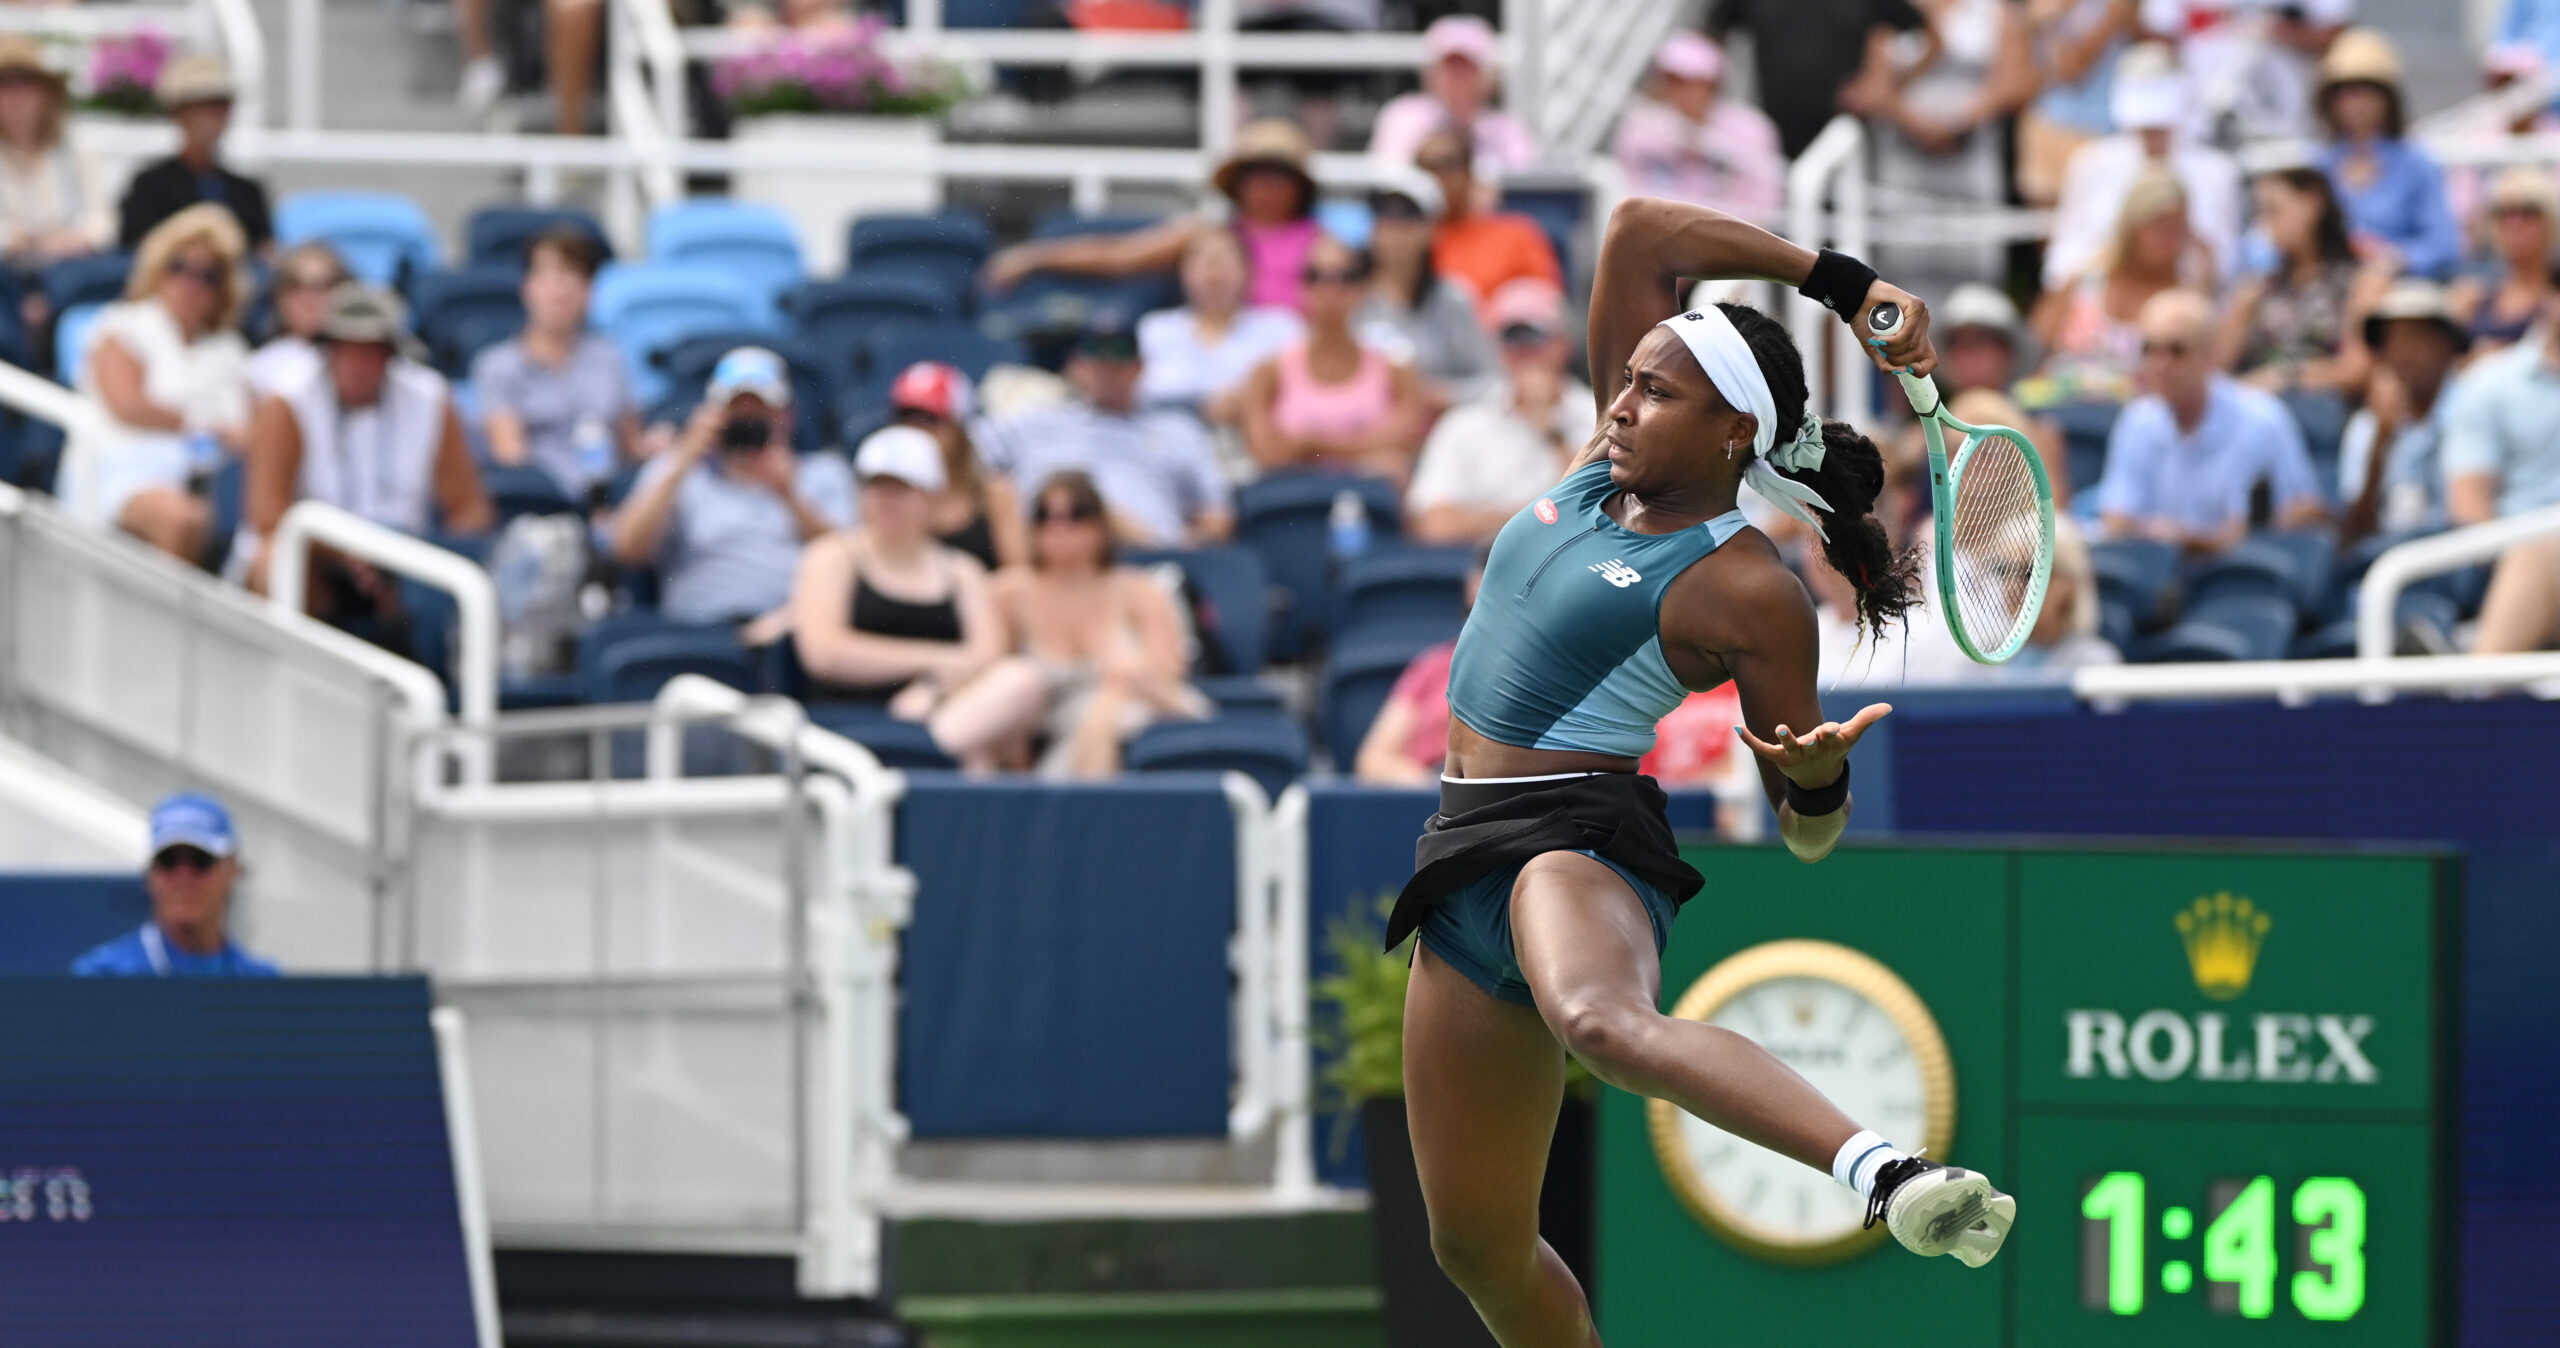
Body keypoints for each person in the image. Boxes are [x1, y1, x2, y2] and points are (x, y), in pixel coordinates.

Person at [1393, 194, 2013, 1348]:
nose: (1622, 403)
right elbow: (1639, 233)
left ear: (1735, 431)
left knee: (1602, 1019)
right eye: (1625, 380)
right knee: (1472, 1244)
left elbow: (1808, 835)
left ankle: (1884, 1172)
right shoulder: (1598, 465)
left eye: (1655, 391)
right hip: (1457, 859)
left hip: (1569, 843)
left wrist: (1816, 778)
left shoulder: (1746, 587)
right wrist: (1837, 278)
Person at [924, 470, 1211, 777]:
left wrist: (1110, 700)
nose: (1059, 527)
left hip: (1121, 714)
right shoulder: (1009, 592)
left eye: (1076, 514)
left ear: (1101, 523)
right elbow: (989, 669)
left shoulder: (1140, 590)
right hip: (1034, 728)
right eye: (1045, 515)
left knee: (1107, 720)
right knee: (1007, 695)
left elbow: (1168, 673)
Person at [240, 285, 494, 606]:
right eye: (347, 348)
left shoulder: (430, 397)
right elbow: (267, 515)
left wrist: (413, 555)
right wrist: (344, 551)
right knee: (273, 564)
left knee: (464, 580)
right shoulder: (287, 398)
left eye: (371, 350)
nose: (358, 363)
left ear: (390, 353)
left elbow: (470, 510)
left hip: (405, 562)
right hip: (317, 558)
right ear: (328, 348)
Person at [56, 203, 252, 566]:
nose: (191, 284)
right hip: (122, 470)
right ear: (158, 270)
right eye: (180, 268)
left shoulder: (231, 349)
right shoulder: (122, 326)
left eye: (208, 274)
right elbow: (128, 406)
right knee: (185, 519)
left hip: (210, 480)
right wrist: (209, 426)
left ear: (223, 287)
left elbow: (248, 430)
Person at [609, 347, 855, 632]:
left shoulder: (824, 473)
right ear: (712, 415)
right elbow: (626, 549)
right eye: (736, 413)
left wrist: (789, 494)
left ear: (787, 415)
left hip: (791, 632)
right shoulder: (677, 469)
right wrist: (683, 458)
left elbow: (853, 564)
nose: (747, 422)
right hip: (699, 631)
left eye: (759, 412)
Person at [983, 118, 1323, 314]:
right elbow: (1119, 256)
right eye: (1257, 172)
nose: (1267, 185)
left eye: (1279, 174)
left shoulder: (1324, 245)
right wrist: (1035, 257)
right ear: (1240, 181)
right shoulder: (1208, 236)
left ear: (1299, 185)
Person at [788, 425, 1005, 716]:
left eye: (901, 489)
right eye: (877, 487)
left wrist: (934, 689)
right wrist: (936, 661)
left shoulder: (963, 571)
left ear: (933, 497)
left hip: (948, 714)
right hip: (846, 723)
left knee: (1018, 683)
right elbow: (823, 653)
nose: (886, 500)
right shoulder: (831, 556)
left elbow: (989, 657)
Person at [2095, 289, 2326, 552]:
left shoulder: (2261, 420)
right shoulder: (2136, 421)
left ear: (2210, 354)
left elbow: (2269, 526)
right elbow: (2115, 522)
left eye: (2177, 351)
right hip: (2154, 578)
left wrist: (2176, 538)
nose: (2160, 364)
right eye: (2150, 350)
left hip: (2236, 579)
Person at [977, 312, 1235, 548]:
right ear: (1076, 366)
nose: (1106, 369)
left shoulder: (1178, 429)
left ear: (1140, 366)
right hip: (1048, 558)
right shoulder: (1035, 420)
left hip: (1149, 562)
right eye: (1095, 354)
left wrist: (1181, 550)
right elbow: (958, 452)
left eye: (1119, 354)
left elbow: (1217, 515)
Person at [1868, 0, 2038, 301]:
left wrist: (1956, 124)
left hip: (1971, 162)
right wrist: (1918, 123)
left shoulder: (1993, 10)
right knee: (1903, 267)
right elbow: (1877, 87)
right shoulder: (1894, 9)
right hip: (1904, 166)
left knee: (1975, 268)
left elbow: (2015, 82)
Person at [1405, 280, 1594, 546]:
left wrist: (1553, 433)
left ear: (1563, 344)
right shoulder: (1464, 423)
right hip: (1484, 567)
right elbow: (1433, 524)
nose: (1524, 353)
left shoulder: (1600, 417)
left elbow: (1598, 513)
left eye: (1535, 338)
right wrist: (1536, 518)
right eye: (1512, 340)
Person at [2042, 47, 2243, 293]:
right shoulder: (2092, 164)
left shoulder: (2216, 173)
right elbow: (2062, 261)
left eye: (2159, 122)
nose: (2151, 132)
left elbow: (2227, 264)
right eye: (2144, 123)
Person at [1236, 234, 1431, 485]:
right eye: (1316, 276)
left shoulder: (1398, 370)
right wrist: (1361, 454)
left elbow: (1403, 444)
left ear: (1363, 287)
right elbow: (1266, 454)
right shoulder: (1267, 372)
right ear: (1301, 286)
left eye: (1346, 277)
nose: (1331, 289)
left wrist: (1310, 446)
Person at [470, 226, 635, 502]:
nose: (559, 290)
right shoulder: (497, 365)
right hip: (540, 504)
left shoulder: (610, 358)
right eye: (547, 275)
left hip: (609, 502)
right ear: (527, 287)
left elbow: (628, 447)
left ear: (588, 290)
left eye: (571, 276)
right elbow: (510, 456)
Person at [2033, 167, 2211, 399]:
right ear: (2133, 225)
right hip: (2065, 412)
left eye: (2175, 229)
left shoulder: (2185, 304)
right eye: (2157, 225)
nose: (2166, 238)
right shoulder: (2084, 282)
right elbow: (2033, 348)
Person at [2217, 167, 2384, 400]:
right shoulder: (2254, 289)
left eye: (2274, 210)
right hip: (2260, 405)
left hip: (2325, 406)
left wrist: (2281, 379)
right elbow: (2215, 371)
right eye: (2260, 213)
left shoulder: (2362, 281)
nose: (2266, 224)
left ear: (2312, 203)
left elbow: (2356, 371)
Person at [72, 791, 276, 977]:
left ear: (232, 870)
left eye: (200, 860)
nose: (184, 877)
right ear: (150, 874)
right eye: (168, 860)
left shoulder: (261, 982)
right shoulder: (103, 977)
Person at [2315, 28, 2459, 281]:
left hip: (2395, 291)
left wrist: (2394, 258)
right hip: (2326, 287)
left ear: (2387, 98)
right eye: (2342, 92)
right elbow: (2269, 242)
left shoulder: (2416, 164)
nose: (2352, 102)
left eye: (2363, 90)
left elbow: (2443, 245)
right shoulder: (2318, 165)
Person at [1709, 0, 1928, 158]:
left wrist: (1879, 85)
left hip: (1844, 134)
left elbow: (1924, 34)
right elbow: (1713, 28)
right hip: (1772, 133)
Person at [1609, 33, 1785, 224]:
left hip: (1732, 241)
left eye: (1688, 80)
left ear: (1712, 84)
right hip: (1662, 237)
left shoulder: (1750, 128)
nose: (1677, 90)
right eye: (1670, 79)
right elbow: (1630, 190)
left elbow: (1765, 202)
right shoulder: (1642, 126)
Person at [2339, 279, 2467, 542]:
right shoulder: (2366, 427)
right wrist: (2380, 445)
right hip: (2388, 566)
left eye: (2415, 338)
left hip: (2458, 563)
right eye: (2392, 341)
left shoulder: (2473, 407)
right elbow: (2354, 539)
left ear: (2447, 346)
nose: (2403, 353)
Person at [1135, 226, 1304, 426]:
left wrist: (1251, 400)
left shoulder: (1282, 327)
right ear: (1183, 273)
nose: (1213, 274)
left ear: (1249, 271)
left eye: (1224, 262)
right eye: (1203, 262)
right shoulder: (1154, 329)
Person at [1356, 174, 1498, 404]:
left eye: (1407, 216)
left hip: (1444, 429)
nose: (1395, 228)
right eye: (1384, 215)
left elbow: (1493, 381)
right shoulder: (1348, 294)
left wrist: (1445, 395)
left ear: (1432, 230)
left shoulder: (1454, 298)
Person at [116, 53, 271, 254]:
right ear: (178, 112)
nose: (216, 115)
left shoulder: (248, 191)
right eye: (205, 105)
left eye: (223, 104)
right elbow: (140, 254)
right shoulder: (150, 187)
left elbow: (265, 253)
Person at [886, 360, 1023, 571]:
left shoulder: (995, 494)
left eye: (929, 418)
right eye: (907, 418)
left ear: (960, 429)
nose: (917, 429)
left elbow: (1018, 575)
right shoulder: (883, 495)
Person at [1416, 127, 1563, 322]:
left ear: (1468, 172)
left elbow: (1546, 310)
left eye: (1448, 164)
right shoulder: (1403, 240)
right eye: (1425, 167)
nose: (1437, 177)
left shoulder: (1517, 234)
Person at [1367, 16, 1538, 178]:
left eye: (1467, 68)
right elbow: (1389, 187)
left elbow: (1527, 187)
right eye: (1449, 68)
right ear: (1430, 74)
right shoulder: (1402, 117)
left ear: (1487, 77)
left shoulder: (1508, 131)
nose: (1457, 79)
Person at [0, 36, 109, 276]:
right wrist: (11, 238)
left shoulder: (73, 146)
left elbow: (102, 218)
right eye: (6, 85)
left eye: (26, 83)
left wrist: (77, 238)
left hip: (66, 270)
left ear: (45, 94)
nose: (17, 96)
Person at [2017, 0, 2138, 206]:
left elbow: (2071, 69)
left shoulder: (2116, 6)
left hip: (2102, 133)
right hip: (2050, 128)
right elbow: (2058, 70)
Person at [2449, 166, 2559, 354]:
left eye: (2528, 211)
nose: (2515, 223)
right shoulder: (2474, 299)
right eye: (2504, 213)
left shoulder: (2554, 298)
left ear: (2551, 220)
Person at [247, 241, 349, 396]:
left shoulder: (361, 363)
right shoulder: (257, 368)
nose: (309, 299)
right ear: (280, 297)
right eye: (297, 286)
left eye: (321, 286)